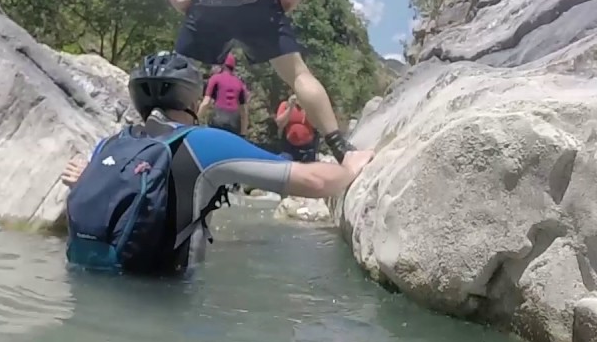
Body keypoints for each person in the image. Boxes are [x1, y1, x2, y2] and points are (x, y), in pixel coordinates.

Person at [61, 50, 369, 276]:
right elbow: (314, 182)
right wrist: (350, 169)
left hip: (87, 284)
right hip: (167, 299)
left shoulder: (109, 144)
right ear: (192, 100)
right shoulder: (202, 143)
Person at [159, 0, 373, 166]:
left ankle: (159, 145)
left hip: (208, 8)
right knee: (298, 74)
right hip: (260, 9)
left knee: (176, 73)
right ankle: (342, 150)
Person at [198, 52, 249, 137]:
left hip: (218, 119)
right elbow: (244, 112)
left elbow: (206, 103)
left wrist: (196, 120)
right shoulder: (240, 83)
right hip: (234, 123)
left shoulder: (215, 78)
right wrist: (243, 133)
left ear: (222, 65)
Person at [275, 93, 319, 163]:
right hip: (289, 147)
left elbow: (316, 125)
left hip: (307, 146)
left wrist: (307, 109)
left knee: (307, 168)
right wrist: (290, 108)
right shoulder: (285, 105)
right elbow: (280, 124)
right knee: (286, 164)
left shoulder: (310, 107)